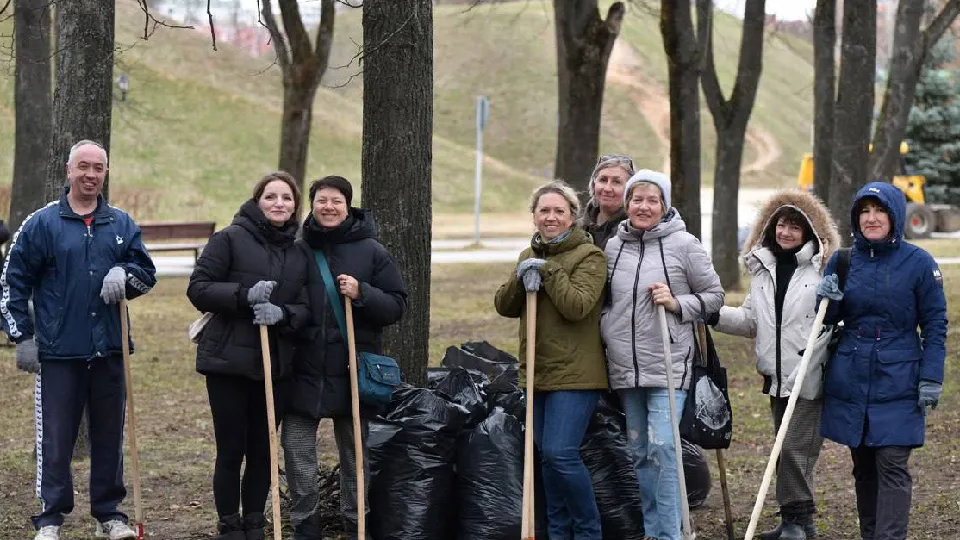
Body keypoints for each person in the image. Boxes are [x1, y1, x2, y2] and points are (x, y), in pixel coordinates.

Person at [1, 140, 157, 540]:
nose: (90, 174)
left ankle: (110, 515)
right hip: (58, 353)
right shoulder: (41, 224)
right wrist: (22, 335)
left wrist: (125, 274)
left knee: (109, 437)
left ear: (105, 173)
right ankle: (50, 518)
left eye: (98, 168)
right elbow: (12, 281)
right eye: (83, 166)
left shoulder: (121, 224)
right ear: (69, 170)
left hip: (109, 350)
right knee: (56, 440)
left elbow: (146, 273)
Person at [816, 182, 947, 540]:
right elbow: (826, 321)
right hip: (852, 377)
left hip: (899, 377)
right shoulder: (843, 261)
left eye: (879, 211)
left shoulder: (919, 263)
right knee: (864, 468)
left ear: (895, 216)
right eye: (864, 211)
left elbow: (935, 324)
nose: (871, 218)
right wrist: (826, 300)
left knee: (892, 464)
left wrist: (931, 376)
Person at [187, 171, 313, 540]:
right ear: (257, 201)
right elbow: (198, 288)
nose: (279, 203)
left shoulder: (299, 251)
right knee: (231, 448)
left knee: (263, 450)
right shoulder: (229, 238)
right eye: (271, 196)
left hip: (276, 365)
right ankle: (230, 524)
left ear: (295, 206)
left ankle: (255, 522)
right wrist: (243, 296)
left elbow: (306, 307)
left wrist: (283, 314)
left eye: (286, 198)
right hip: (228, 363)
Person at [709, 189, 840, 539]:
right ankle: (797, 522)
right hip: (776, 376)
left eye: (795, 226)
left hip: (808, 375)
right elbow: (751, 321)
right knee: (786, 449)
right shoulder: (765, 271)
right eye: (781, 224)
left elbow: (836, 319)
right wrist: (711, 314)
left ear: (810, 232)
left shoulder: (822, 271)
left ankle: (798, 523)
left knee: (796, 449)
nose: (786, 232)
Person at [282, 175, 407, 540]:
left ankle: (357, 525)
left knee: (355, 456)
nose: (329, 207)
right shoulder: (297, 249)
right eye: (322, 200)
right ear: (312, 205)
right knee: (297, 452)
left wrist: (362, 292)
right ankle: (306, 527)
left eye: (336, 200)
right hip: (302, 370)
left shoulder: (371, 251)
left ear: (348, 205)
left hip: (352, 371)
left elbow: (396, 305)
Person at [601, 170, 723, 540]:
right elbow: (605, 300)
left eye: (652, 200)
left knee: (664, 449)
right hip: (625, 366)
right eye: (637, 199)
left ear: (664, 205)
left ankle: (670, 534)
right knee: (639, 451)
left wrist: (676, 303)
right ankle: (653, 531)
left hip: (668, 363)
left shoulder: (684, 244)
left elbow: (715, 296)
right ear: (627, 204)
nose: (644, 207)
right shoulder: (614, 247)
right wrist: (607, 326)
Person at [494, 180, 608, 540]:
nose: (551, 217)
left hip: (576, 374)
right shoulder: (527, 255)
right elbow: (504, 306)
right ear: (534, 215)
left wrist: (548, 270)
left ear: (573, 216)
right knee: (546, 457)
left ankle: (588, 532)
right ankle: (558, 533)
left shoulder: (590, 257)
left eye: (559, 210)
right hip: (537, 372)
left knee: (560, 453)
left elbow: (577, 306)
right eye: (544, 210)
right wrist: (521, 277)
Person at [580, 154, 635, 249]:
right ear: (593, 184)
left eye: (616, 182)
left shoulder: (634, 231)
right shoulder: (575, 228)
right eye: (603, 180)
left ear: (630, 190)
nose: (607, 188)